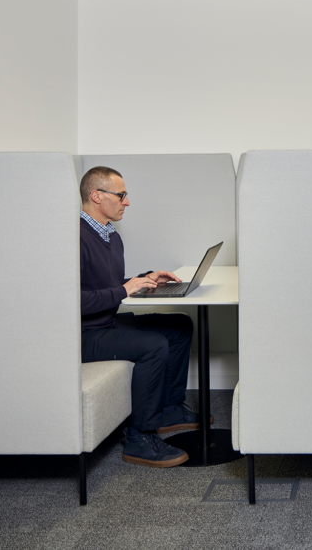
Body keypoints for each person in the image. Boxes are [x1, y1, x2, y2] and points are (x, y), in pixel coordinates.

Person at [79, 166, 207, 468]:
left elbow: (104, 285)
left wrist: (145, 279)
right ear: (96, 195)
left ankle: (169, 409)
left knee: (178, 325)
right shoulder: (75, 238)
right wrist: (125, 289)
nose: (127, 202)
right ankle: (140, 438)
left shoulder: (110, 236)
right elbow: (72, 301)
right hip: (83, 335)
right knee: (153, 345)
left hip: (105, 322)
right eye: (121, 195)